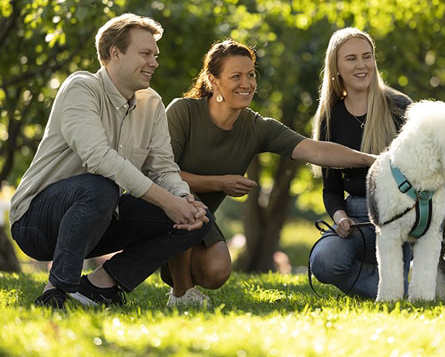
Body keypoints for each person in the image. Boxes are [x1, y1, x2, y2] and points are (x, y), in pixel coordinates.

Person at [9, 13, 212, 309]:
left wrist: (181, 199)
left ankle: (98, 286)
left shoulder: (151, 103)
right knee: (100, 186)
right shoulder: (81, 87)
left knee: (200, 217)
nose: (154, 62)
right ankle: (55, 291)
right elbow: (99, 158)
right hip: (37, 223)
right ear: (114, 53)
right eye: (145, 54)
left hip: (100, 217)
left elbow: (163, 167)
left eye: (155, 55)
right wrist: (167, 202)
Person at [162, 39, 378, 306]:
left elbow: (315, 150)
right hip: (161, 208)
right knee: (184, 198)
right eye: (236, 76)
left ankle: (174, 263)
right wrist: (220, 183)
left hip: (198, 220)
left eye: (251, 75)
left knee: (216, 272)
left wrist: (374, 160)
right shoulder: (183, 112)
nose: (247, 83)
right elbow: (163, 174)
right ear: (213, 80)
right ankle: (181, 293)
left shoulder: (257, 127)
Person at [309, 27, 412, 299]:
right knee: (323, 261)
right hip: (356, 217)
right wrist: (340, 218)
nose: (361, 65)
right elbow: (331, 189)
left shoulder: (399, 106)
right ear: (337, 67)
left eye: (367, 56)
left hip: (401, 215)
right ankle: (394, 288)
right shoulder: (330, 117)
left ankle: (394, 287)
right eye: (351, 58)